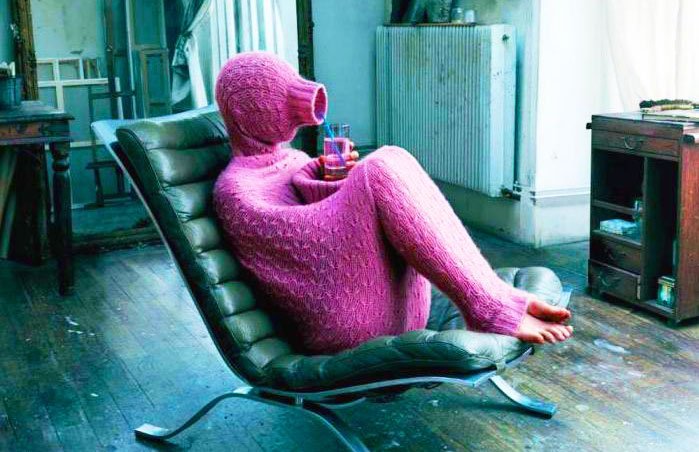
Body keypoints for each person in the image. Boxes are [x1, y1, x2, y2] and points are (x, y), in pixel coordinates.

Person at [213, 52, 572, 354]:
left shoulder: (291, 158)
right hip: (344, 326)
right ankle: (489, 305)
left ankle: (490, 297)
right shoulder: (234, 191)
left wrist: (326, 178)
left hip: (396, 308)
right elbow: (306, 248)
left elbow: (316, 213)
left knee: (383, 165)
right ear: (250, 112)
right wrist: (359, 188)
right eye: (278, 95)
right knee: (381, 167)